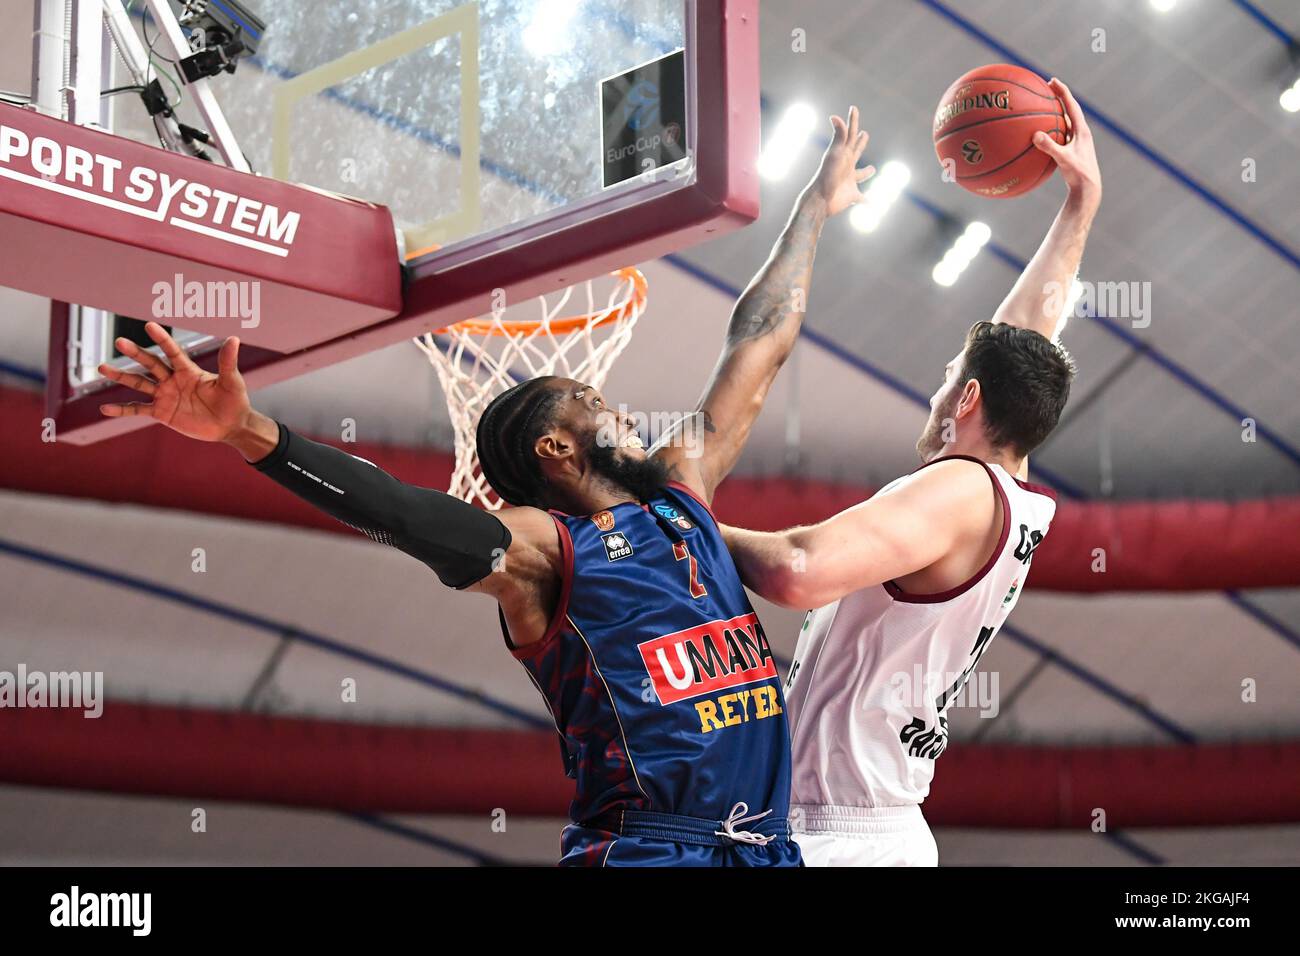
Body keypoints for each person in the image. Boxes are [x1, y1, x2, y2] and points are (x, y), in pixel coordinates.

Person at [97, 108, 877, 866]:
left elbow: (759, 346)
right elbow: (399, 512)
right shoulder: (545, 551)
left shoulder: (682, 492)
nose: (621, 409)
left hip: (764, 848)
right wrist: (247, 431)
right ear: (555, 446)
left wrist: (812, 207)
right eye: (595, 403)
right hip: (647, 850)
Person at [721, 79, 1101, 866]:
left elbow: (798, 570)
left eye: (946, 376)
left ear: (966, 399)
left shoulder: (956, 489)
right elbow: (1023, 340)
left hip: (841, 834)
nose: (934, 391)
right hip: (871, 823)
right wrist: (1079, 206)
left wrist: (679, 518)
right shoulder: (1008, 491)